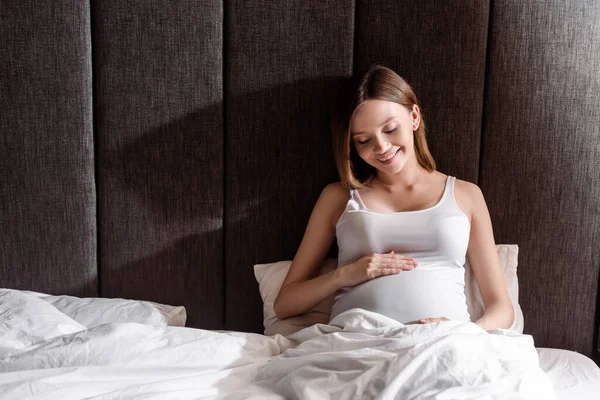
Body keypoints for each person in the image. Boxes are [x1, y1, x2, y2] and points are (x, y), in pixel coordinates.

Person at [273, 64, 514, 331]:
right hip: (357, 342)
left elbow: (501, 308)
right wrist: (345, 275)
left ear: (414, 116)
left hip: (443, 344)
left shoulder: (466, 196)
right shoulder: (338, 197)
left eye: (389, 129)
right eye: (364, 140)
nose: (382, 148)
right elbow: (285, 304)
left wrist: (463, 333)